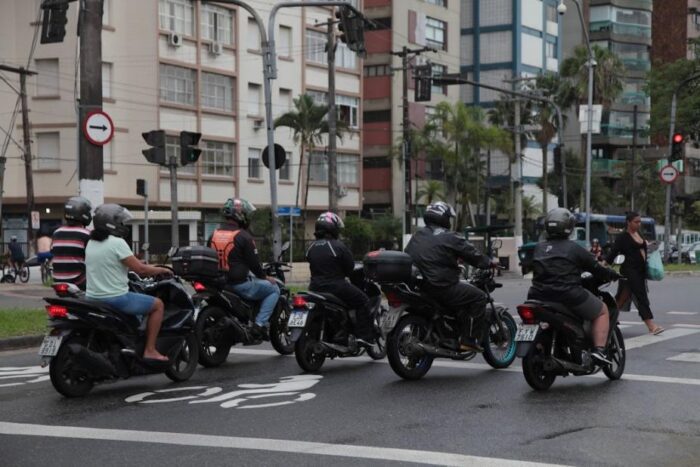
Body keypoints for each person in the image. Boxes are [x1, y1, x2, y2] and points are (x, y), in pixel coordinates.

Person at [527, 208, 620, 365]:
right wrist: (610, 274)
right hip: (567, 295)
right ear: (569, 227)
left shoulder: (538, 247)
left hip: (537, 295)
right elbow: (596, 268)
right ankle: (599, 350)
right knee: (603, 311)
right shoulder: (574, 248)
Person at [405, 202, 498, 351]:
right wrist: (488, 262)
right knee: (479, 297)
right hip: (441, 286)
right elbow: (471, 253)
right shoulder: (449, 236)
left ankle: (448, 333)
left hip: (419, 286)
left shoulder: (418, 235)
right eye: (448, 217)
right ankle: (468, 340)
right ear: (443, 218)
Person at [85, 204, 172, 362]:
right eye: (121, 222)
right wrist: (161, 270)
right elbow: (141, 271)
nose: (124, 226)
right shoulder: (117, 242)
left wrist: (139, 263)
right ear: (112, 223)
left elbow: (112, 262)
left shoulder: (91, 243)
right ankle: (150, 350)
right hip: (116, 298)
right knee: (158, 305)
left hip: (92, 297)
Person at [209, 198, 278, 340]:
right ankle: (259, 324)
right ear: (240, 215)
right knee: (274, 289)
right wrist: (265, 277)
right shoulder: (244, 236)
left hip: (218, 283)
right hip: (239, 285)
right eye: (246, 214)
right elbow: (254, 264)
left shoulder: (213, 234)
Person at [306, 212, 376, 346]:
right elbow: (350, 268)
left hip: (314, 287)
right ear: (333, 228)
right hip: (336, 286)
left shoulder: (311, 247)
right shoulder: (337, 246)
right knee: (363, 301)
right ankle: (364, 336)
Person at [605, 211, 663, 335]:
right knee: (641, 297)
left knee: (621, 298)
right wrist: (602, 265)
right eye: (636, 222)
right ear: (628, 222)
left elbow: (642, 247)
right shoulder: (622, 237)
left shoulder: (639, 233)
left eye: (639, 221)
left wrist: (649, 245)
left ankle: (607, 318)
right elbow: (613, 253)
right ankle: (651, 326)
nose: (639, 224)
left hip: (640, 271)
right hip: (630, 272)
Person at [51, 197, 92, 290]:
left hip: (57, 281)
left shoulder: (56, 232)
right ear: (84, 214)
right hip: (78, 281)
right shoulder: (86, 234)